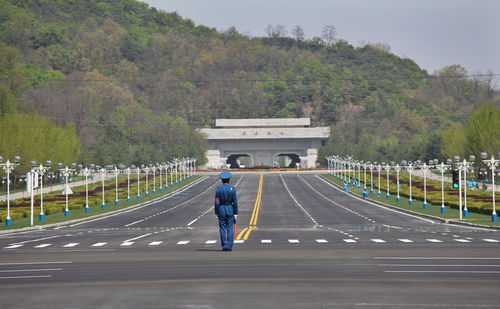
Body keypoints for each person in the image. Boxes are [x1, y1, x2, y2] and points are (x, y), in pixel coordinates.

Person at [214, 171, 238, 251]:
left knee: (222, 228)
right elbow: (235, 202)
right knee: (230, 228)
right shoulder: (232, 189)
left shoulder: (218, 189)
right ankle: (229, 246)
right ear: (229, 180)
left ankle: (224, 246)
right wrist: (235, 213)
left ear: (222, 180)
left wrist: (216, 212)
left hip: (221, 209)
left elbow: (217, 202)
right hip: (230, 209)